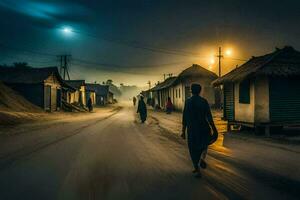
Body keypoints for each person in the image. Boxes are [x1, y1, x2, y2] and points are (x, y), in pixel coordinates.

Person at [181, 83, 218, 178]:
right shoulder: (204, 101)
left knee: (193, 149)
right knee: (204, 144)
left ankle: (197, 169)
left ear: (191, 91)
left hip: (192, 129)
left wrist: (183, 130)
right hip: (203, 127)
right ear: (200, 91)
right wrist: (214, 128)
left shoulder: (188, 102)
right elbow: (209, 116)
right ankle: (202, 158)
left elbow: (184, 117)